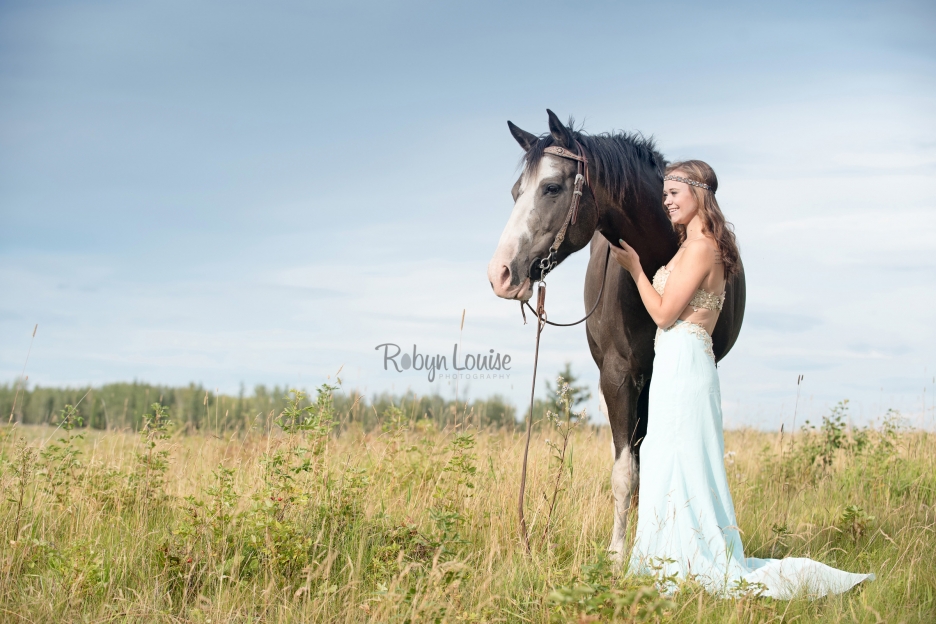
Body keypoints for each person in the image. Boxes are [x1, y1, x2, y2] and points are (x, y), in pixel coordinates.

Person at [608, 160, 874, 599]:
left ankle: (686, 560)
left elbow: (662, 313)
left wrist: (636, 269)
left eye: (675, 192)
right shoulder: (689, 245)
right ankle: (667, 557)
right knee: (665, 456)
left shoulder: (701, 248)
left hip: (685, 362)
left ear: (699, 194)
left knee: (683, 458)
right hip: (676, 361)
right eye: (664, 195)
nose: (668, 201)